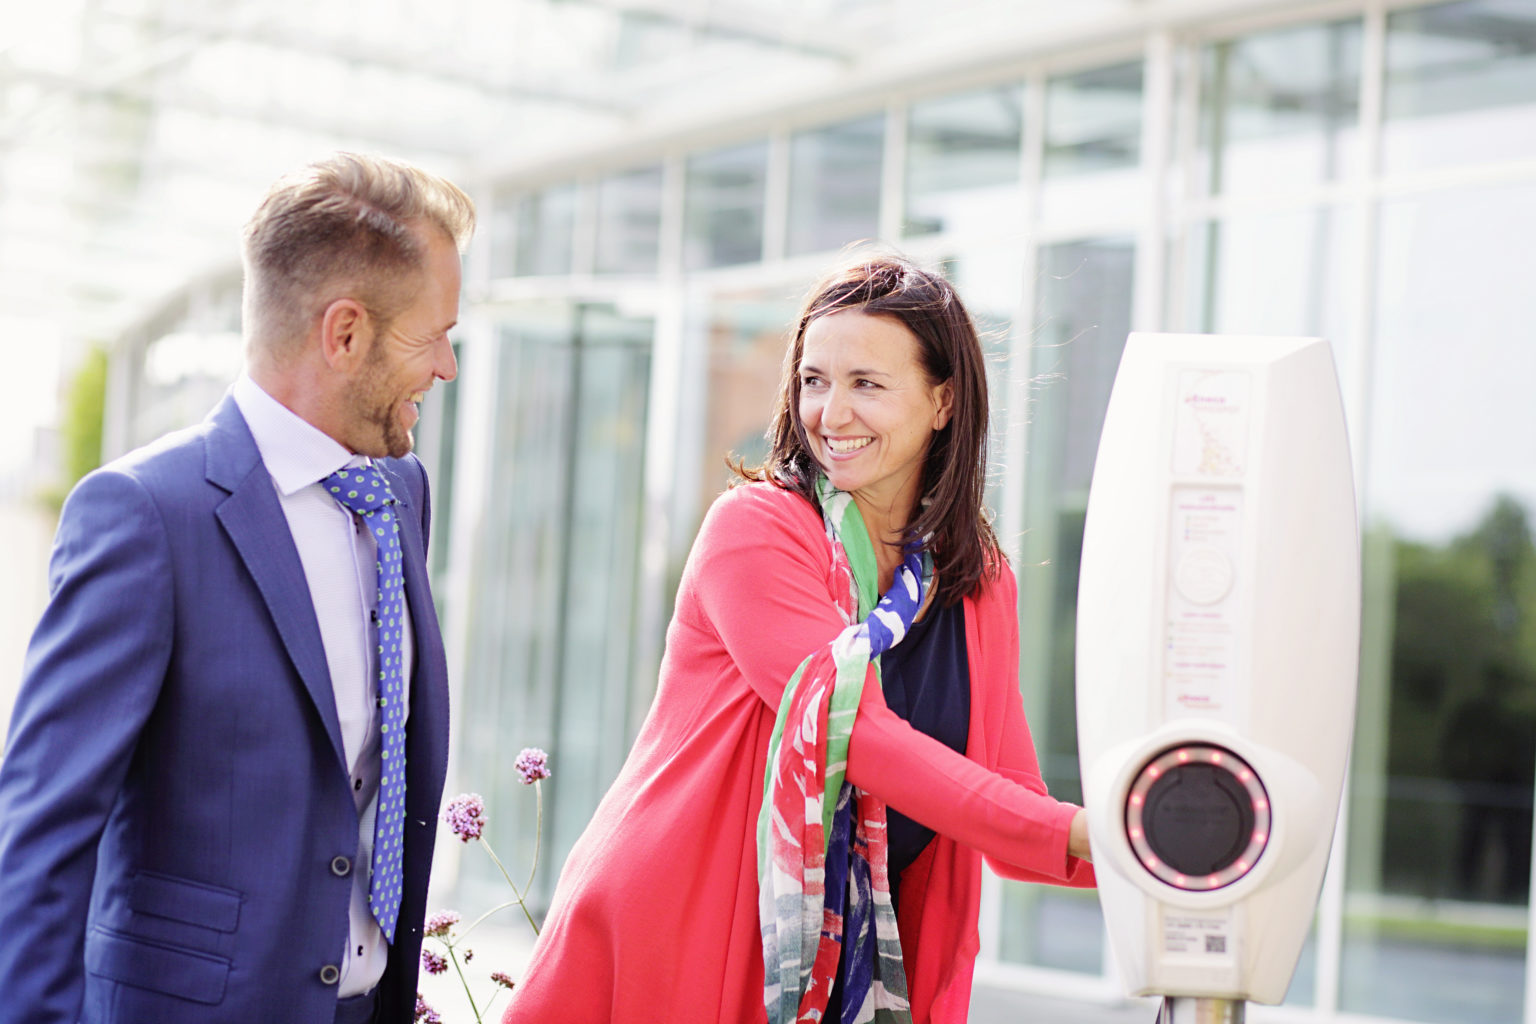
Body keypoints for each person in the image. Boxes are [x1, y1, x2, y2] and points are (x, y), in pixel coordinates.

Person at [504, 252, 1094, 1024]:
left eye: (867, 384)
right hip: (687, 926)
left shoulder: (978, 580)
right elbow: (857, 735)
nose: (830, 413)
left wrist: (1153, 855)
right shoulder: (757, 531)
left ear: (944, 400)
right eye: (814, 380)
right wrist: (1090, 833)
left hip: (870, 967)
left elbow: (1012, 807)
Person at [0, 152, 474, 1024]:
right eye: (432, 334)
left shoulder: (400, 493)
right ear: (345, 333)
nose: (446, 366)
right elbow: (40, 835)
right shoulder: (145, 515)